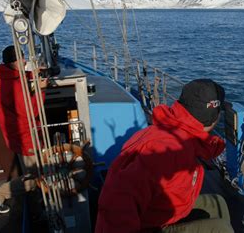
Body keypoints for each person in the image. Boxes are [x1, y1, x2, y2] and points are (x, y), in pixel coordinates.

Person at [95, 79, 233, 232]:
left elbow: (203, 146)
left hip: (159, 210)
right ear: (214, 118)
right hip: (148, 225)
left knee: (217, 203)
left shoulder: (178, 131)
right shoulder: (167, 150)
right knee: (221, 229)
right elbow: (116, 201)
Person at [0, 45, 47, 214]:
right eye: (21, 58)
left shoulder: (8, 77)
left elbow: (22, 77)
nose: (25, 61)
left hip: (19, 135)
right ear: (13, 62)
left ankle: (39, 203)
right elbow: (31, 111)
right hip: (25, 136)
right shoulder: (16, 86)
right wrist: (41, 90)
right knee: (36, 178)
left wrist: (35, 73)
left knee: (33, 175)